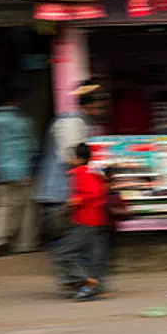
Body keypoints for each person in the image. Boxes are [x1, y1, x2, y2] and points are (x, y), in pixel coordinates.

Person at [36, 81, 102, 268]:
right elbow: (71, 156)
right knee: (70, 246)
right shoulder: (71, 122)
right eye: (99, 104)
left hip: (66, 196)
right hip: (60, 196)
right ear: (90, 104)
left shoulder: (78, 122)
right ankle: (78, 283)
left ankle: (79, 282)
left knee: (74, 245)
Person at [0, 87, 36, 256]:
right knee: (26, 209)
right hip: (22, 170)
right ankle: (24, 243)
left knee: (0, 206)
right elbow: (33, 147)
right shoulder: (24, 121)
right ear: (16, 101)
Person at [61, 143, 110, 301]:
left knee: (65, 254)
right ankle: (93, 287)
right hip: (97, 219)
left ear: (77, 159)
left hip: (86, 220)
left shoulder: (80, 173)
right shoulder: (93, 172)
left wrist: (76, 201)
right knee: (93, 255)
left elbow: (94, 192)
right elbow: (101, 190)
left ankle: (87, 282)